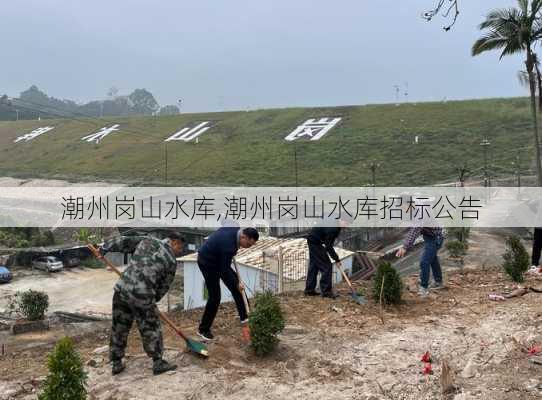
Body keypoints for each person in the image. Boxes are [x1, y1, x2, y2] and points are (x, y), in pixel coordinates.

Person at [99, 232, 185, 376]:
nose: (179, 252)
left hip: (122, 290)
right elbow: (163, 287)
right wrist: (152, 300)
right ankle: (158, 362)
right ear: (174, 242)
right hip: (143, 296)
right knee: (151, 328)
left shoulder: (147, 240)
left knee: (119, 326)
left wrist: (105, 248)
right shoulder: (171, 261)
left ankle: (116, 362)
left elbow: (124, 242)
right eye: (180, 248)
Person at [197, 226, 259, 341]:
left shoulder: (235, 230)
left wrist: (236, 283)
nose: (247, 247)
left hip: (220, 260)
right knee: (215, 297)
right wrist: (236, 282)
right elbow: (224, 270)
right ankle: (203, 329)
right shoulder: (228, 247)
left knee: (238, 288)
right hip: (207, 262)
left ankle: (245, 317)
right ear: (243, 237)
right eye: (248, 244)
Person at [396, 225, 444, 297]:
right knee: (433, 259)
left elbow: (414, 231)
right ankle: (438, 281)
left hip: (435, 238)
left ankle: (424, 288)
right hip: (429, 237)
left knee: (424, 262)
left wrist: (405, 247)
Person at [304, 220, 348, 299]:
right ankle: (326, 292)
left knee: (314, 265)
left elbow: (327, 242)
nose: (346, 225)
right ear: (341, 219)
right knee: (327, 266)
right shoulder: (333, 228)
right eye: (346, 222)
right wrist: (337, 259)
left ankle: (309, 290)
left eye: (348, 224)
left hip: (313, 240)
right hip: (315, 242)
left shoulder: (336, 226)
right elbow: (328, 246)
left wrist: (336, 259)